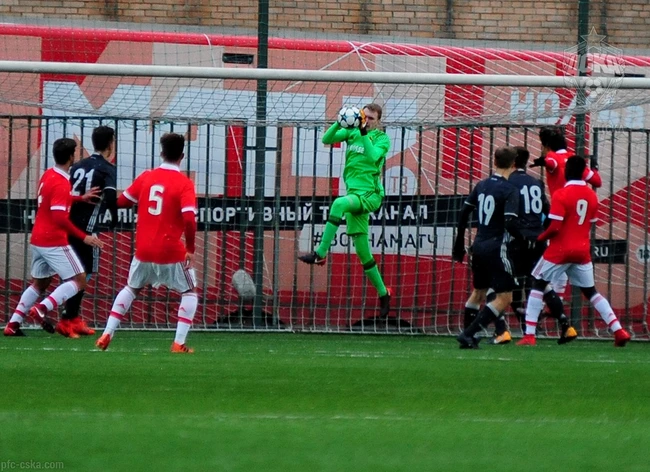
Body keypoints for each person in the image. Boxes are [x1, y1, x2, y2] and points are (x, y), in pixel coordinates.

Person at [95, 133, 198, 353]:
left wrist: (108, 194)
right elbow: (190, 219)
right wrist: (190, 248)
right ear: (182, 156)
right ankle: (178, 343)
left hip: (143, 250)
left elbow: (122, 202)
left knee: (131, 288)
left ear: (161, 153)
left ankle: (107, 333)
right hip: (170, 250)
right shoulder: (184, 183)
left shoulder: (146, 177)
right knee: (189, 292)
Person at [517, 157, 631, 347]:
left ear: (567, 172)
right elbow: (590, 224)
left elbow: (555, 227)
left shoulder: (561, 194)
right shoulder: (591, 196)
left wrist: (540, 238)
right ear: (583, 172)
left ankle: (529, 335)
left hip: (560, 250)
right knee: (591, 292)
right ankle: (618, 330)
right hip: (582, 251)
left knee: (537, 284)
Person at [298, 103, 392, 318]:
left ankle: (320, 254)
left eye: (371, 118)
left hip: (370, 194)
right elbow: (327, 139)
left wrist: (362, 132)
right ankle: (383, 293)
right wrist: (339, 122)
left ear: (378, 121)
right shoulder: (351, 132)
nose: (367, 120)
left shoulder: (381, 139)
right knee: (363, 253)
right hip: (354, 194)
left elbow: (372, 157)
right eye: (364, 116)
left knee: (338, 204)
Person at [3, 138, 104, 336]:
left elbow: (54, 199)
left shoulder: (48, 174)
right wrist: (84, 237)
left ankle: (13, 324)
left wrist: (79, 198)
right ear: (71, 157)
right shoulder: (61, 182)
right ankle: (42, 308)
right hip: (53, 241)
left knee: (40, 283)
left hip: (38, 239)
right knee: (80, 280)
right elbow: (59, 218)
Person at [491, 146, 577, 345]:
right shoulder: (536, 183)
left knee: (504, 284)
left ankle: (503, 330)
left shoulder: (508, 182)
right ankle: (565, 325)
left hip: (516, 239)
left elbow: (504, 215)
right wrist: (542, 233)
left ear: (513, 162)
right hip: (538, 240)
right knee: (540, 283)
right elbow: (547, 211)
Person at [452, 147, 521, 349]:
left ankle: (468, 337)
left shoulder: (482, 185)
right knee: (505, 297)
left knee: (479, 292)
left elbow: (464, 213)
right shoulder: (510, 190)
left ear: (494, 161)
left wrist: (459, 243)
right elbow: (510, 222)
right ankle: (468, 334)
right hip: (497, 247)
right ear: (514, 165)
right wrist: (524, 238)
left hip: (479, 246)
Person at [56, 125, 118, 338]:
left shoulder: (77, 166)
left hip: (69, 224)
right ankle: (67, 317)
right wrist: (114, 217)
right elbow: (110, 196)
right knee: (85, 273)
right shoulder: (106, 168)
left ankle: (72, 317)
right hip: (87, 228)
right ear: (111, 143)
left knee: (75, 272)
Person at [530, 126, 602, 299]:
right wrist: (595, 169)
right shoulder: (574, 160)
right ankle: (559, 301)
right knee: (568, 265)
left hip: (559, 213)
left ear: (547, 146)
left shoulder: (552, 157)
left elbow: (552, 163)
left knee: (553, 260)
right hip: (576, 218)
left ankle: (551, 305)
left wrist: (544, 162)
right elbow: (597, 181)